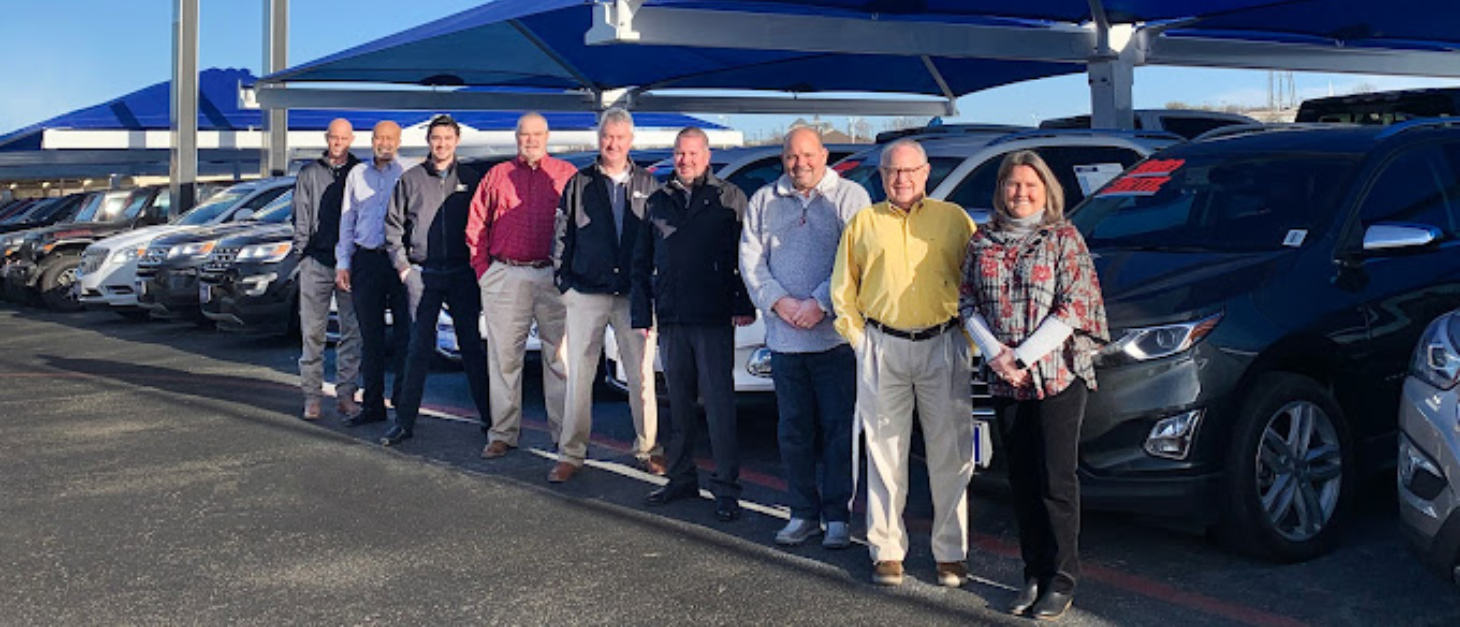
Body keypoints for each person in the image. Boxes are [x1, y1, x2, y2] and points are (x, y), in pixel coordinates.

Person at [959, 150, 1107, 620]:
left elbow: (1074, 307)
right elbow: (965, 302)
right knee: (1021, 481)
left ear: (1046, 191)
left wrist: (1021, 355)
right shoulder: (982, 239)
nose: (1019, 193)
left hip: (1056, 375)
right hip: (1005, 378)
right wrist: (996, 355)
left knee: (1054, 480)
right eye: (1012, 184)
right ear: (1001, 189)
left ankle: (1062, 579)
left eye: (1030, 186)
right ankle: (1034, 573)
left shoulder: (1064, 238)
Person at [830, 138, 976, 588]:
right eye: (894, 171)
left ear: (927, 172)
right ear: (882, 173)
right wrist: (859, 340)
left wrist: (967, 343)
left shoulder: (954, 220)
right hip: (882, 346)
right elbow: (843, 290)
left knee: (949, 453)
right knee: (883, 451)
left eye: (911, 171)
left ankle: (951, 553)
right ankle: (886, 550)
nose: (902, 179)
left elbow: (977, 282)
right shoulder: (864, 222)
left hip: (942, 343)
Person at [740, 127, 868, 548]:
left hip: (833, 340)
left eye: (809, 155)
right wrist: (779, 303)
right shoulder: (763, 200)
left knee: (837, 430)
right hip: (785, 340)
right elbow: (752, 261)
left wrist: (819, 303)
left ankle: (837, 516)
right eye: (793, 156)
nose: (801, 164)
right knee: (793, 432)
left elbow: (855, 261)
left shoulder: (850, 197)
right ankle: (801, 513)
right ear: (783, 158)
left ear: (824, 154)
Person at [633, 127, 755, 522]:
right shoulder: (658, 200)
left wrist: (743, 301)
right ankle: (682, 477)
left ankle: (726, 488)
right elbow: (641, 260)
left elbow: (745, 256)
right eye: (680, 154)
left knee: (719, 406)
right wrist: (641, 312)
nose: (685, 160)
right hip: (671, 316)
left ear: (707, 155)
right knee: (679, 405)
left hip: (713, 316)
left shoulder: (728, 196)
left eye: (693, 153)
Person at [550, 108, 664, 482]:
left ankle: (648, 448)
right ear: (599, 140)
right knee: (579, 375)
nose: (612, 144)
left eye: (619, 137)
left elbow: (658, 239)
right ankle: (571, 453)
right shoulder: (579, 182)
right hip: (585, 291)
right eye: (606, 137)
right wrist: (563, 282)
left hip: (633, 294)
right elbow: (562, 234)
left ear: (630, 141)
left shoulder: (649, 184)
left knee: (641, 375)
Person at [468, 112, 576, 460]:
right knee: (503, 358)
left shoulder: (565, 175)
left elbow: (581, 225)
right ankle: (502, 433)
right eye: (524, 135)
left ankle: (564, 436)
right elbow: (476, 226)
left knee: (559, 359)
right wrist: (484, 270)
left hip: (553, 276)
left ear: (547, 137)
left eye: (536, 135)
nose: (530, 140)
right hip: (505, 274)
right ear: (516, 138)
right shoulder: (496, 176)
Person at [378, 114, 491, 446]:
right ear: (429, 142)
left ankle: (490, 421)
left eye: (447, 138)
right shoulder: (411, 179)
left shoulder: (472, 178)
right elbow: (393, 227)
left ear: (456, 141)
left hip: (462, 273)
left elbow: (485, 224)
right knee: (417, 349)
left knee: (471, 347)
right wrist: (403, 268)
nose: (441, 144)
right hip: (423, 274)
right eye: (435, 138)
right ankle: (404, 421)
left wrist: (479, 266)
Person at [336, 120, 410, 428]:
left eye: (390, 138)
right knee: (371, 336)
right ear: (372, 140)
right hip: (366, 261)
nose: (385, 143)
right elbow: (347, 219)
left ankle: (404, 403)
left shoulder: (408, 173)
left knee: (406, 335)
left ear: (399, 141)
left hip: (399, 263)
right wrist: (343, 261)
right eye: (380, 138)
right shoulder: (357, 174)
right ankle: (373, 405)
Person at [293, 118, 363, 420]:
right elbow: (300, 215)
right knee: (312, 332)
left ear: (351, 139)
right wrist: (302, 255)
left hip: (350, 263)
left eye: (343, 138)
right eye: (334, 137)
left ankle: (346, 394)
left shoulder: (360, 172)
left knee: (352, 331)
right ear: (327, 138)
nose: (338, 143)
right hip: (316, 262)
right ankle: (312, 396)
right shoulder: (309, 173)